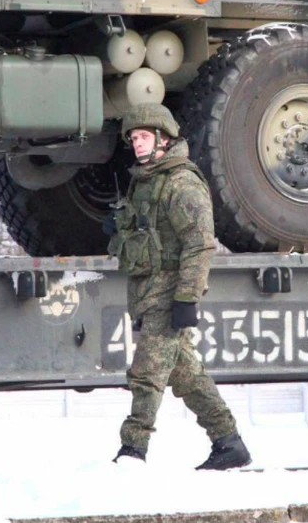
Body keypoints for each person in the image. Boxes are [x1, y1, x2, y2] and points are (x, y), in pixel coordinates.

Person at [104, 103, 251, 470]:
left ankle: (133, 451)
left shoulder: (181, 182)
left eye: (143, 137)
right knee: (186, 376)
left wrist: (187, 297)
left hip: (168, 298)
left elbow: (200, 244)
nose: (136, 144)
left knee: (146, 374)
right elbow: (143, 238)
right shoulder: (145, 183)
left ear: (163, 138)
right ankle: (229, 442)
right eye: (133, 138)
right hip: (147, 294)